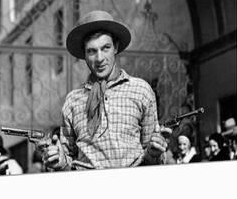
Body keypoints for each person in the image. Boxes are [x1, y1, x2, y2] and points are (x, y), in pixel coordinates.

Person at [40, 10, 172, 170]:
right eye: (92, 51)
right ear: (84, 54)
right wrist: (59, 160)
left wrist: (154, 151)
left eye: (105, 48)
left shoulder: (141, 90)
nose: (100, 58)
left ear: (115, 47)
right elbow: (68, 158)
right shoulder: (72, 101)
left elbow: (151, 156)